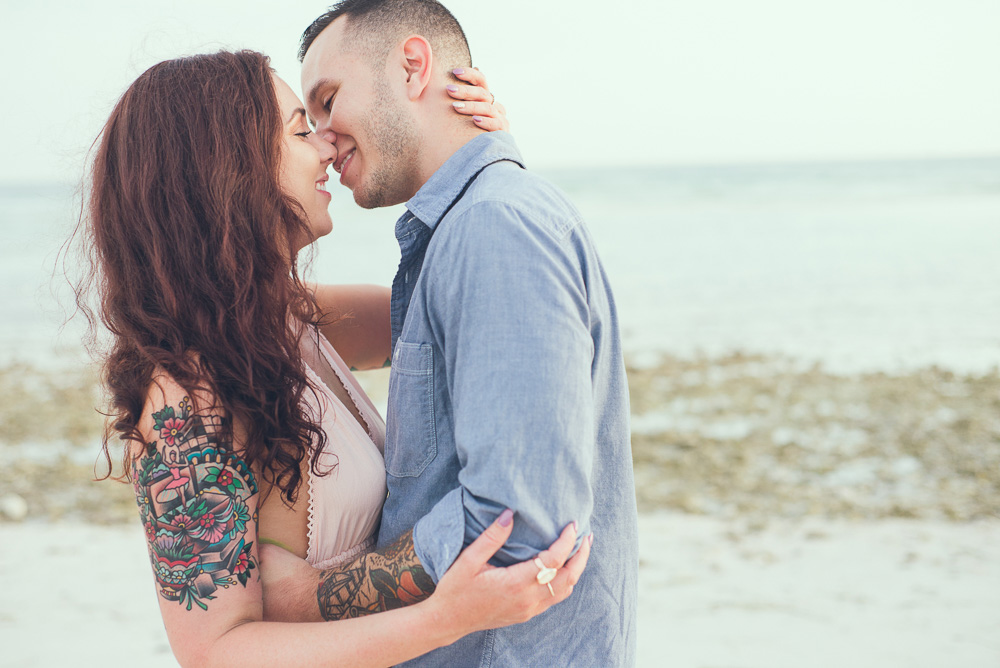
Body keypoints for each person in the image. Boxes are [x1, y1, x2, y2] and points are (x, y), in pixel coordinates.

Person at [82, 48, 589, 667]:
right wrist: (440, 620)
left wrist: (473, 150)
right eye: (300, 130)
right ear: (226, 169)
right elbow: (214, 653)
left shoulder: (285, 320)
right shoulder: (186, 399)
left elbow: (467, 298)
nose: (326, 147)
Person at [261, 0, 638, 665]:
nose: (322, 138)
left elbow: (517, 526)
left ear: (413, 66)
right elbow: (256, 313)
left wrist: (312, 599)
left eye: (327, 100)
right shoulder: (467, 230)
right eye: (306, 123)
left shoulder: (495, 226)